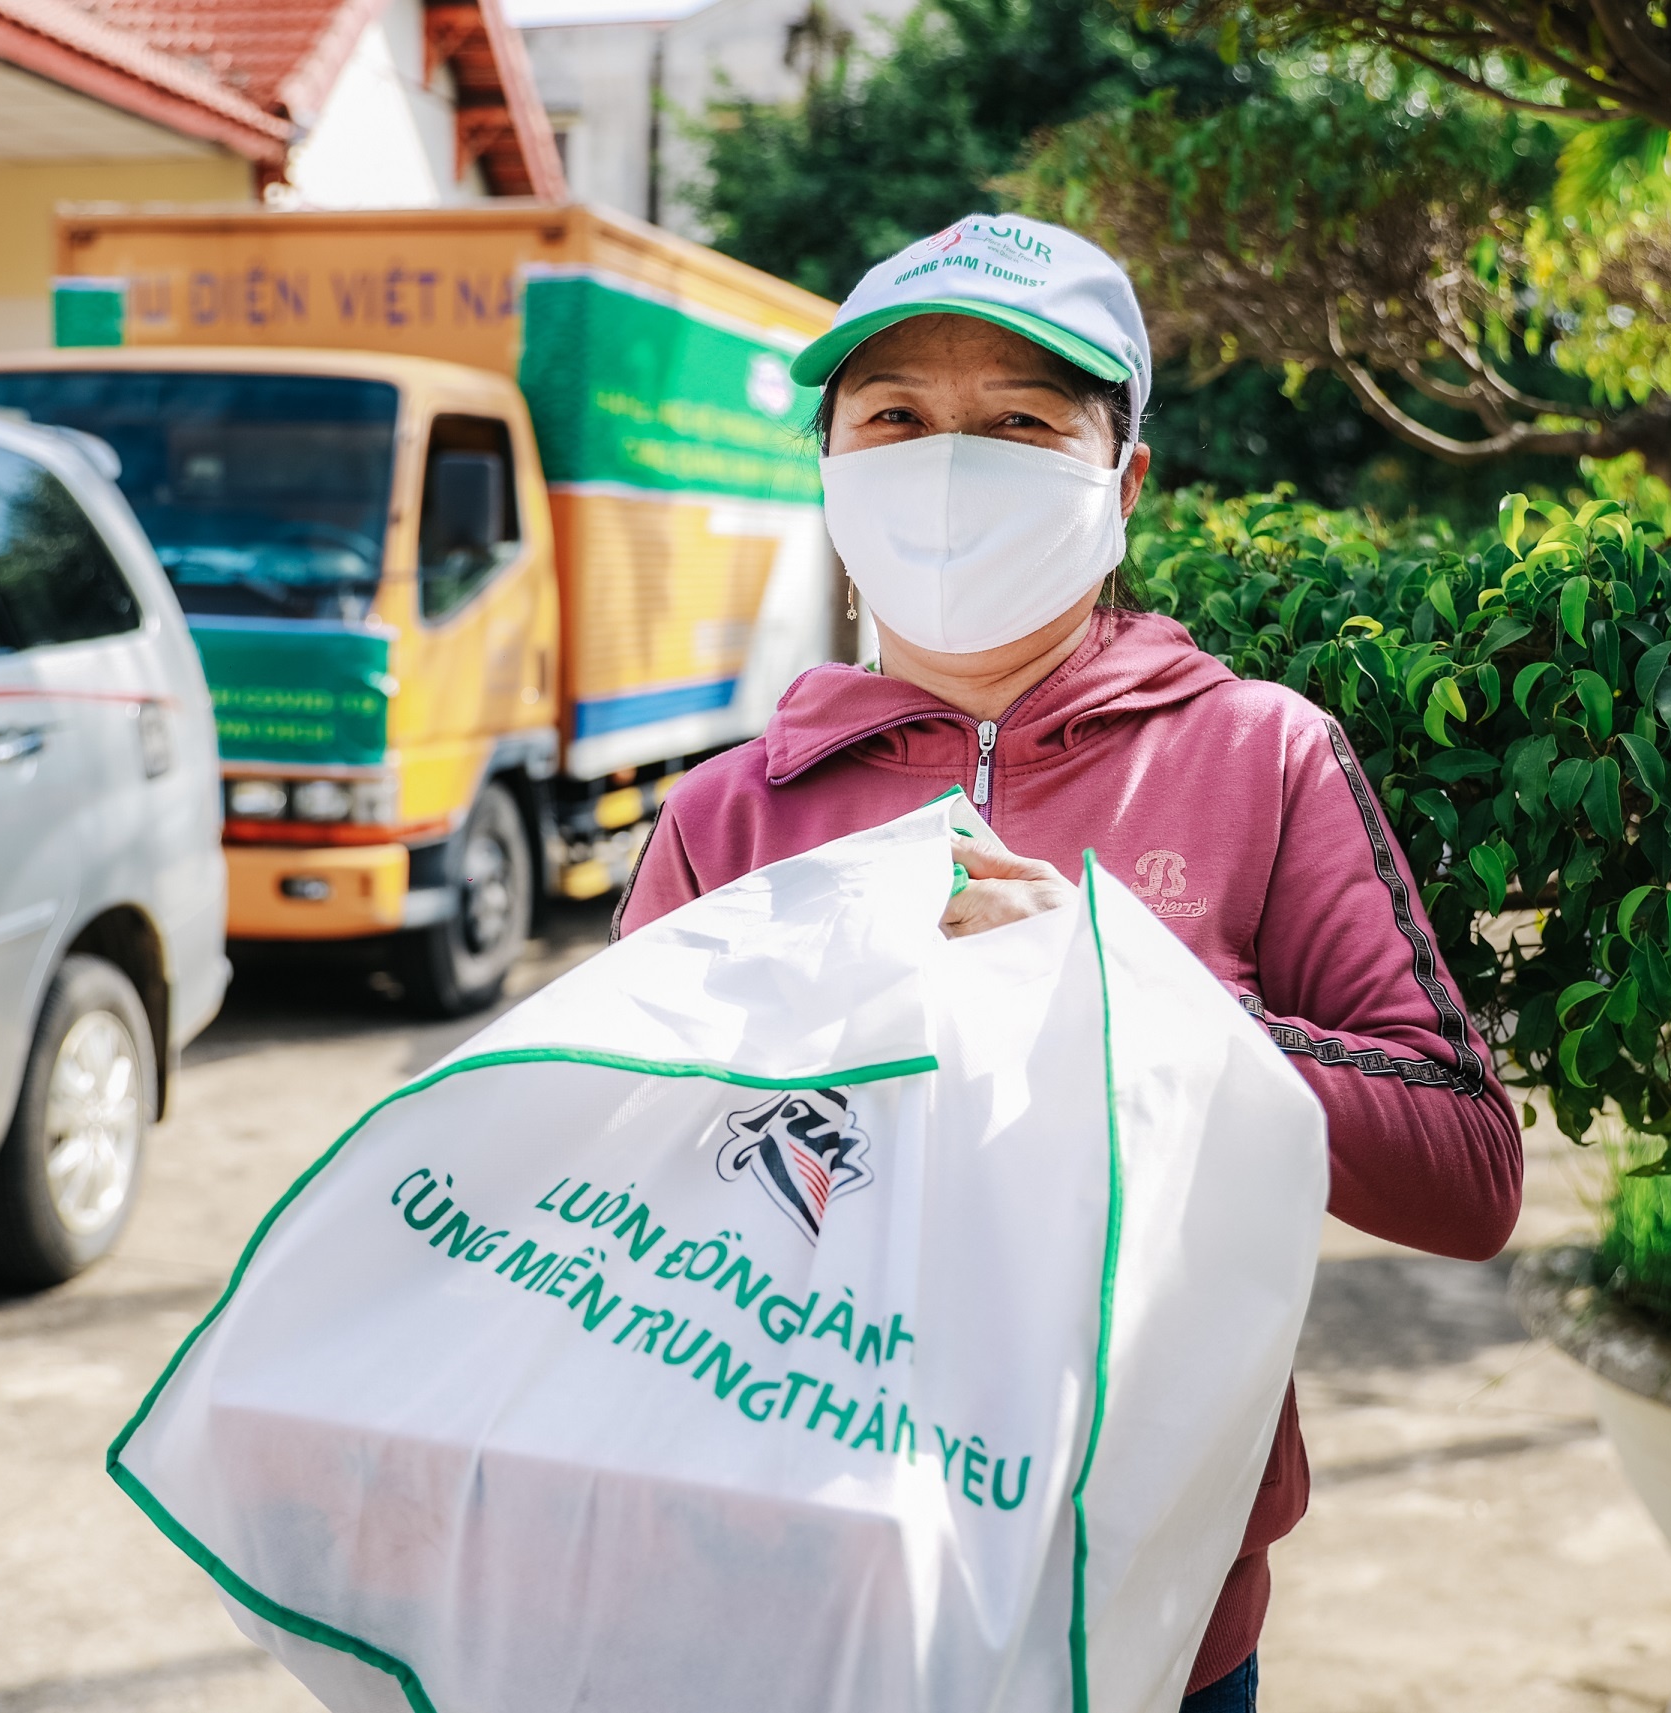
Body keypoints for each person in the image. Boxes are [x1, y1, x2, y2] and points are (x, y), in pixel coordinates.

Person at [613, 213, 1524, 1712]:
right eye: (894, 418)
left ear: (1124, 479)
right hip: (788, 1597)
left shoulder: (1260, 757)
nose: (947, 462)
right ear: (830, 471)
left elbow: (1465, 1173)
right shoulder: (729, 813)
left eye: (1021, 422)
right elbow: (609, 1180)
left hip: (1146, 1613)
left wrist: (1125, 991)